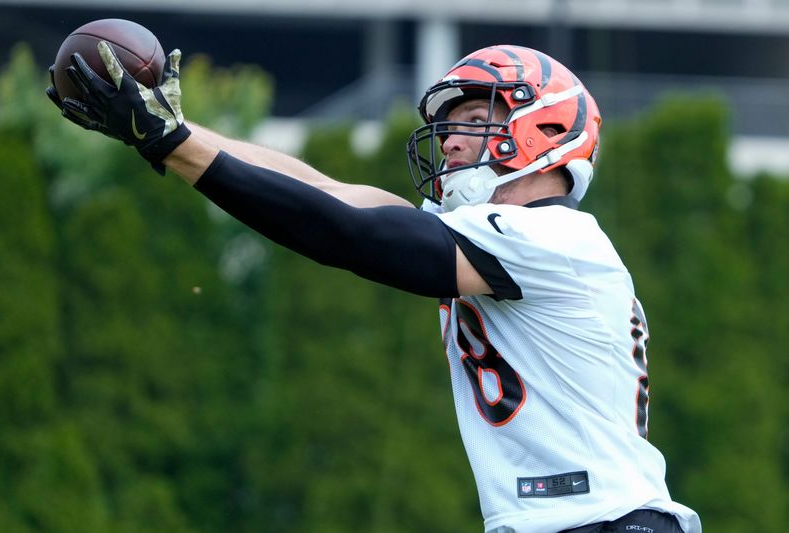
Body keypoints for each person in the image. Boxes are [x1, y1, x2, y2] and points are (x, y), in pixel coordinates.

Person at [47, 42, 702, 533]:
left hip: (605, 521)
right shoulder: (517, 239)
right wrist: (171, 133)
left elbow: (346, 233)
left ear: (544, 129)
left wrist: (177, 146)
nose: (448, 143)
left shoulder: (555, 240)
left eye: (473, 118)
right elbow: (325, 190)